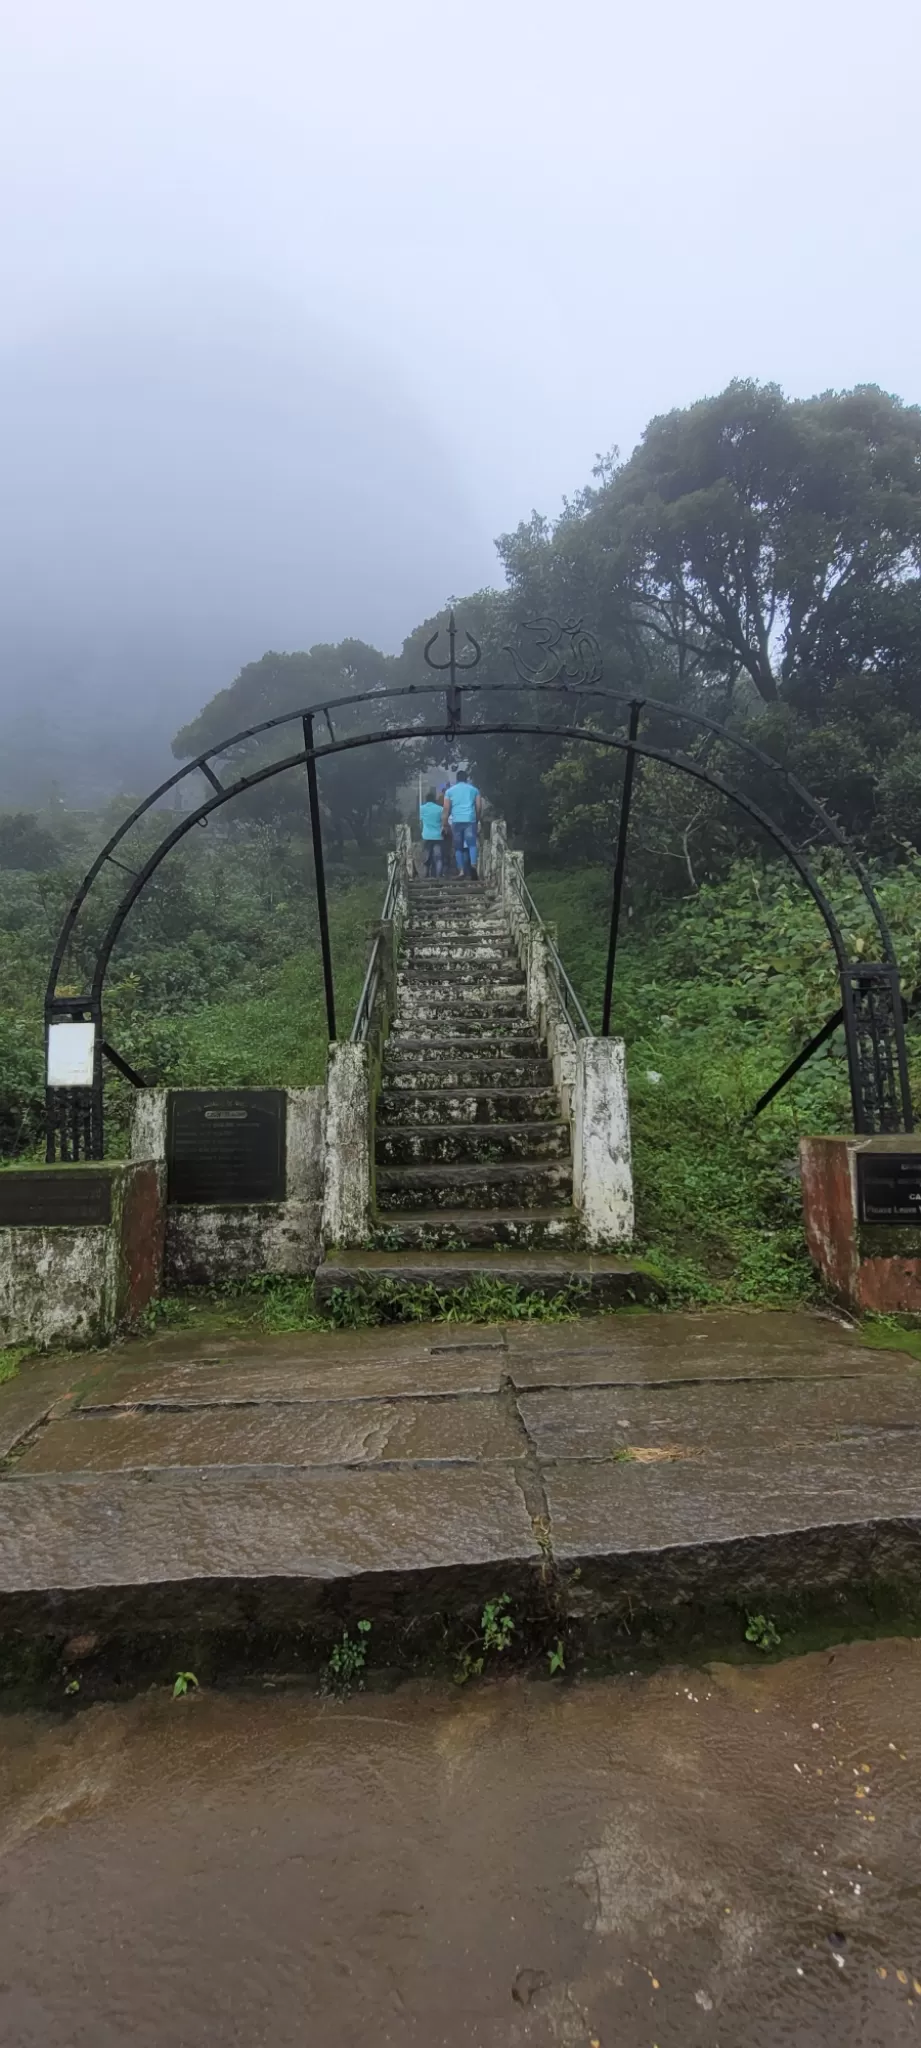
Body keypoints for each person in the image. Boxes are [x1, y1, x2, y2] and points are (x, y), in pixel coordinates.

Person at [442, 773, 483, 878]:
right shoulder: (474, 790)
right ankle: (473, 865)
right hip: (470, 819)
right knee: (472, 844)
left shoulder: (449, 791)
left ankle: (461, 871)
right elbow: (478, 807)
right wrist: (477, 819)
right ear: (466, 779)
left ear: (457, 779)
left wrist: (445, 824)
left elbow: (446, 808)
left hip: (456, 820)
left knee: (458, 847)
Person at [419, 788, 445, 876]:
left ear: (426, 800)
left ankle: (426, 875)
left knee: (427, 857)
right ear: (434, 800)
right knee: (438, 857)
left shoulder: (422, 808)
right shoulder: (440, 809)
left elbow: (421, 821)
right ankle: (438, 876)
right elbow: (443, 822)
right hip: (438, 836)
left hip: (426, 836)